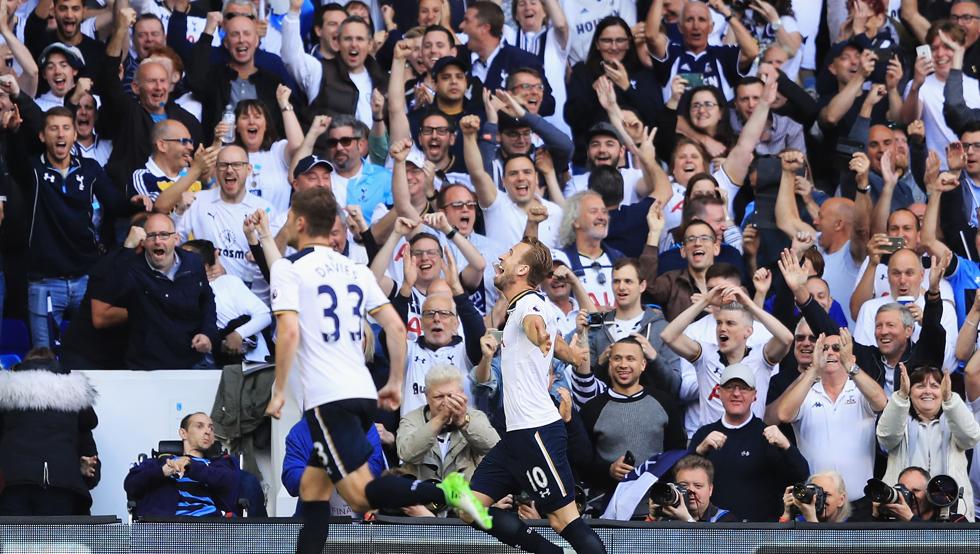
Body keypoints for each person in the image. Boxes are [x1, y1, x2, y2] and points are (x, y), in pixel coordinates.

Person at [263, 187, 490, 554]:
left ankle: (446, 490)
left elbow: (288, 331)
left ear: (299, 221)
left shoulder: (289, 270)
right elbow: (398, 328)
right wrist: (396, 382)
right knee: (314, 489)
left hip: (328, 399)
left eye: (289, 216)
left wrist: (278, 390)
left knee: (361, 494)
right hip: (363, 392)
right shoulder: (355, 271)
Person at [464, 236, 606, 553]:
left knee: (563, 519)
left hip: (536, 431)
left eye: (510, 253)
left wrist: (539, 334)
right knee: (468, 506)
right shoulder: (524, 307)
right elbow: (558, 343)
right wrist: (565, 350)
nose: (501, 256)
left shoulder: (530, 305)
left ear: (523, 269)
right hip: (517, 435)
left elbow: (536, 325)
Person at [769, 332, 888, 504]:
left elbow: (881, 402)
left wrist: (851, 366)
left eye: (837, 348)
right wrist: (814, 370)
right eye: (824, 348)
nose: (830, 352)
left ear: (850, 355)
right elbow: (783, 414)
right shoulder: (806, 392)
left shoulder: (860, 390)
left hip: (860, 503)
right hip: (816, 503)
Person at [661, 283, 794, 429]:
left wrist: (749, 305)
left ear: (748, 332)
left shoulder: (761, 358)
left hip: (749, 444)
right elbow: (668, 336)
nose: (722, 328)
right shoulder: (705, 355)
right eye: (719, 323)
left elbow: (786, 339)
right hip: (710, 443)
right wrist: (705, 301)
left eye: (730, 323)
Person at [579, 337, 687, 517]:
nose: (623, 364)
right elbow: (581, 462)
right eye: (617, 358)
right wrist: (608, 470)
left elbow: (677, 454)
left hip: (656, 510)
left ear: (643, 364)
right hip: (607, 509)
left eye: (630, 358)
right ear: (609, 363)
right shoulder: (592, 409)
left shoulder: (664, 402)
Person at [689, 363, 810, 521]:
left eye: (743, 388)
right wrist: (699, 451)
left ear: (755, 395)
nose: (736, 393)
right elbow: (682, 481)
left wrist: (786, 447)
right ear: (719, 392)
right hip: (714, 532)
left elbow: (801, 475)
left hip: (760, 533)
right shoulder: (705, 435)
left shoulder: (769, 436)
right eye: (730, 387)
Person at [100, 216, 218, 370]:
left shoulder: (194, 262)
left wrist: (208, 333)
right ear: (143, 241)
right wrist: (127, 248)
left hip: (192, 360)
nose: (157, 241)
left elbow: (207, 300)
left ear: (176, 238)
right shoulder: (132, 268)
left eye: (164, 235)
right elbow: (110, 289)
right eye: (151, 236)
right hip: (148, 366)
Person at [0, 348, 100, 516]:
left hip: (13, 487)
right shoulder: (76, 403)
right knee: (56, 542)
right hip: (61, 488)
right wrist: (80, 469)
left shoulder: (5, 394)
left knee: (13, 542)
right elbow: (93, 468)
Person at [876, 364, 980, 520]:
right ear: (910, 392)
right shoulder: (899, 423)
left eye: (934, 386)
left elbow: (971, 437)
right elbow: (885, 438)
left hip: (949, 513)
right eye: (920, 385)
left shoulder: (955, 422)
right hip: (904, 511)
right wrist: (900, 397)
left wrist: (950, 399)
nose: (927, 391)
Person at [396, 364, 500, 481]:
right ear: (427, 396)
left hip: (467, 495)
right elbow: (406, 454)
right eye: (439, 397)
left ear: (462, 394)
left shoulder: (475, 416)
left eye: (451, 396)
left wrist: (463, 422)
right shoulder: (411, 419)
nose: (446, 402)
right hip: (424, 495)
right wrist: (440, 419)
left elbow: (494, 449)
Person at [123, 412, 238, 517]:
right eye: (199, 426)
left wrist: (190, 465)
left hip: (209, 525)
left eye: (211, 428)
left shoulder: (220, 464)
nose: (208, 431)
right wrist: (162, 471)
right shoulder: (158, 463)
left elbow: (230, 483)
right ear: (183, 433)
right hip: (166, 527)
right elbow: (131, 485)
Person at [647, 454, 740, 522]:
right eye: (683, 485)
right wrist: (652, 518)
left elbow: (716, 548)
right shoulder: (665, 518)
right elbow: (640, 547)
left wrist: (687, 520)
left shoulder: (726, 520)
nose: (691, 490)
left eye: (698, 485)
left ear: (710, 489)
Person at [779, 470, 851, 522]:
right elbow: (780, 542)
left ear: (841, 500)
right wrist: (787, 514)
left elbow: (828, 542)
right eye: (814, 493)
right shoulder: (802, 520)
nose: (817, 498)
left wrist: (811, 520)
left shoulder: (852, 526)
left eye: (826, 494)